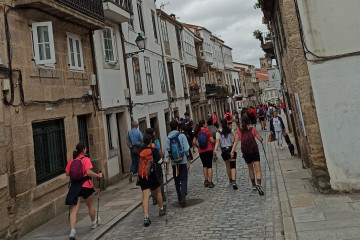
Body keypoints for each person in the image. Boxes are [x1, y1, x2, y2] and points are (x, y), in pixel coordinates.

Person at [65, 143, 103, 240]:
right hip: (86, 184)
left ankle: (72, 231)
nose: (86, 150)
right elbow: (88, 172)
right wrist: (98, 176)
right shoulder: (86, 159)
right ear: (83, 150)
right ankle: (94, 223)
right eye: (85, 148)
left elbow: (67, 173)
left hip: (75, 186)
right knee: (90, 205)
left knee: (74, 209)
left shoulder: (72, 160)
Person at [230, 116, 264, 195]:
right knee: (257, 169)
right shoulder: (252, 129)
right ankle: (259, 183)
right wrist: (261, 139)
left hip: (246, 153)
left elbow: (235, 142)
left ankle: (253, 185)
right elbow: (260, 139)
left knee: (250, 169)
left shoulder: (239, 131)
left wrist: (232, 151)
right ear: (249, 122)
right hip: (254, 151)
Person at [137, 134, 166, 227]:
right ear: (150, 142)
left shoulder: (140, 151)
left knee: (145, 197)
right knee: (158, 192)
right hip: (152, 174)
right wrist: (165, 160)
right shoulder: (153, 150)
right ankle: (161, 209)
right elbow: (159, 162)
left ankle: (146, 217)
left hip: (143, 175)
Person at [165, 120, 190, 207]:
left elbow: (167, 152)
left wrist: (167, 165)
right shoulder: (182, 135)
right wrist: (186, 155)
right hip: (182, 161)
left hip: (173, 162)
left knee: (176, 180)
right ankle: (183, 193)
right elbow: (186, 148)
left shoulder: (168, 138)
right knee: (183, 178)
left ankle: (179, 197)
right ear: (177, 127)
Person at [213, 119, 238, 190]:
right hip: (231, 149)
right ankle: (234, 181)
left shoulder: (218, 132)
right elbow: (234, 140)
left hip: (224, 151)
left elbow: (217, 142)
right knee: (233, 165)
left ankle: (230, 179)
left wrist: (215, 150)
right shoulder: (230, 131)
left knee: (227, 166)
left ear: (221, 124)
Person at [146, 128, 166, 205]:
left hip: (149, 165)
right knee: (160, 178)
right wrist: (162, 159)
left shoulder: (144, 144)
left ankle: (154, 198)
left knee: (152, 181)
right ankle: (162, 195)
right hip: (157, 164)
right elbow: (160, 152)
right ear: (153, 134)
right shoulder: (156, 142)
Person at [193, 120, 216, 188]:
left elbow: (194, 142)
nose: (206, 124)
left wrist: (198, 147)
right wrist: (216, 141)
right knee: (209, 166)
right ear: (203, 124)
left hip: (201, 151)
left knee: (204, 165)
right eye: (205, 123)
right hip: (208, 150)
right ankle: (210, 182)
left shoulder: (197, 132)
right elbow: (212, 140)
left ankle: (206, 180)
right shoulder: (207, 131)